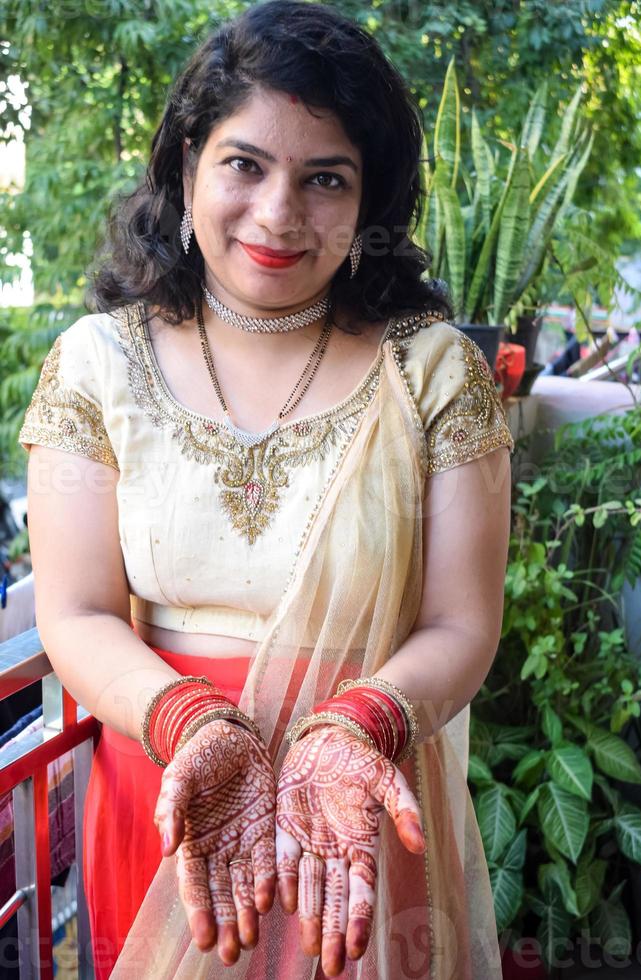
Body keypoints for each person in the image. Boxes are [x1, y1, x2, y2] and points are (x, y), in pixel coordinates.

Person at [18, 2, 515, 977]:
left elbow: (463, 624)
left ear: (368, 198)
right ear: (187, 161)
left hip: (359, 809)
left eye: (324, 177)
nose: (280, 213)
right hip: (174, 792)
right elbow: (74, 610)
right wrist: (189, 720)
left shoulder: (430, 374)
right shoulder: (99, 364)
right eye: (245, 163)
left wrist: (356, 723)